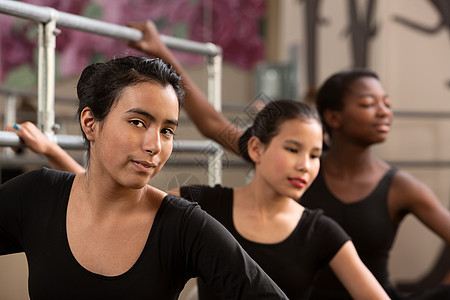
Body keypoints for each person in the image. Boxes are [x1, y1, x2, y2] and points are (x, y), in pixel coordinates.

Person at [0, 56, 290, 299]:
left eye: (167, 130)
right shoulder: (37, 194)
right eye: (138, 123)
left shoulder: (184, 226)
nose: (155, 146)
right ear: (90, 124)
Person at [298, 69, 450, 300]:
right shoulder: (303, 171)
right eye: (369, 104)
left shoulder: (401, 186)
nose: (384, 112)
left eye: (387, 104)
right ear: (333, 118)